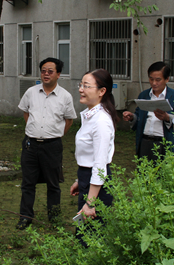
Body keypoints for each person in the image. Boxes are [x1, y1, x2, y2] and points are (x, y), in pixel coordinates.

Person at [16, 57, 77, 229]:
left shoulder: (65, 96)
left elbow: (69, 121)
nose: (46, 74)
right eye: (43, 70)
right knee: (28, 183)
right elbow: (26, 114)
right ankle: (25, 216)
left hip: (52, 146)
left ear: (58, 74)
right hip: (30, 145)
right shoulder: (31, 92)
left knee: (53, 184)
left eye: (50, 71)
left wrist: (54, 135)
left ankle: (54, 217)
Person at [70, 68, 118, 229]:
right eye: (81, 85)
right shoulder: (90, 115)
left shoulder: (101, 121)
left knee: (91, 236)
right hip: (87, 178)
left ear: (102, 91)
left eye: (86, 86)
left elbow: (99, 165)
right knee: (84, 234)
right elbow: (89, 155)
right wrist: (80, 180)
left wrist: (90, 204)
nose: (80, 90)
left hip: (97, 183)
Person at [122, 62, 174, 161]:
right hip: (145, 141)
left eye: (158, 80)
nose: (154, 83)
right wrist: (132, 117)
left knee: (164, 174)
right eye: (151, 79)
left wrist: (167, 118)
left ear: (167, 79)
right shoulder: (144, 95)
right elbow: (139, 115)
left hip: (165, 143)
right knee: (144, 173)